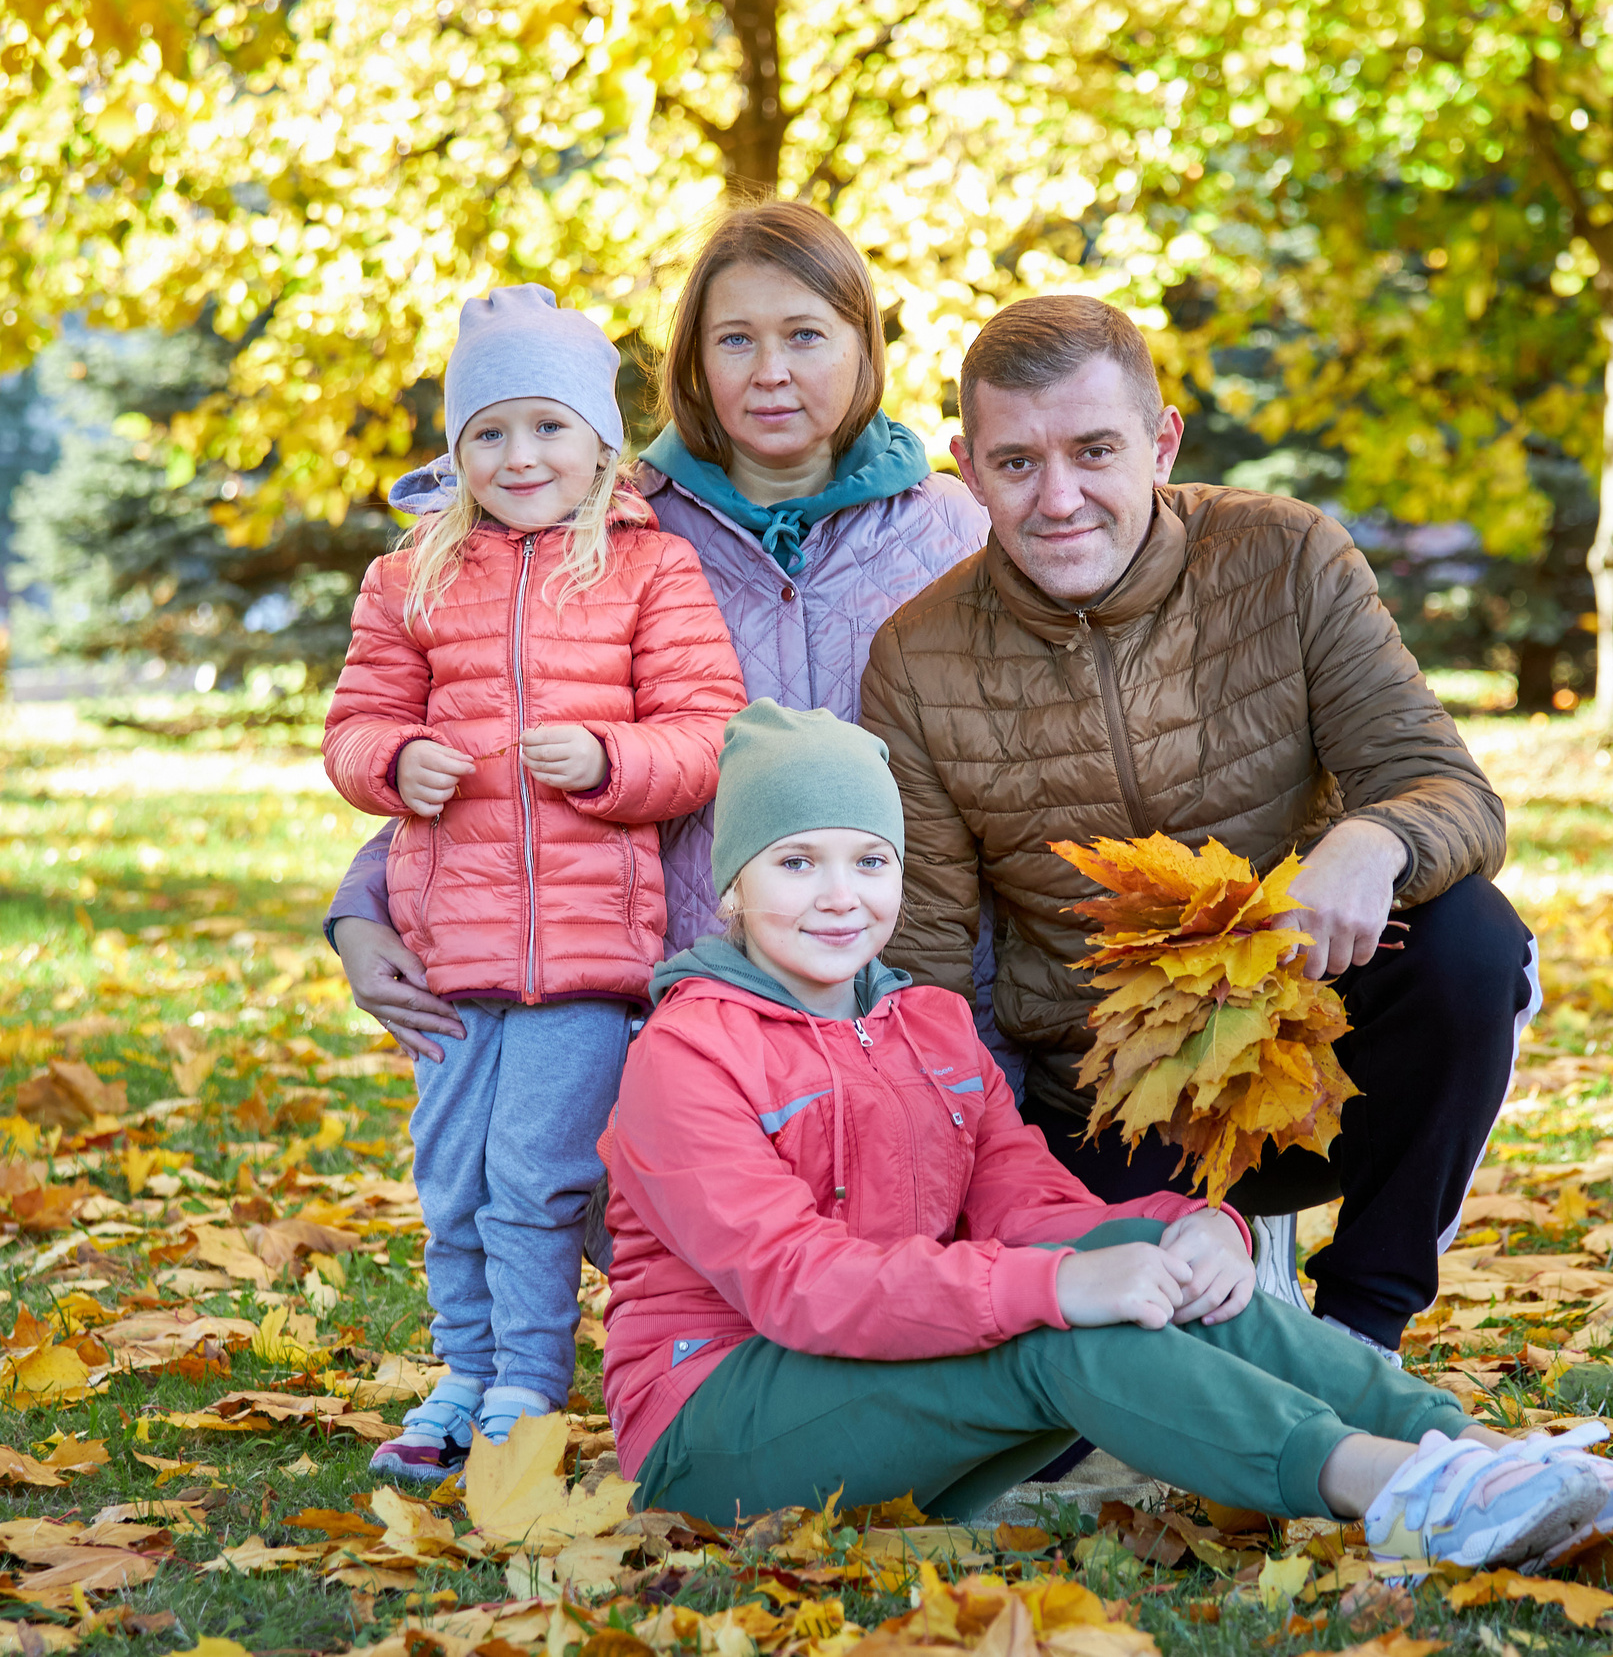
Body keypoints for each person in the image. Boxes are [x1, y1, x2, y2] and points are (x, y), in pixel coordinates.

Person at [600, 699, 1613, 1565]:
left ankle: (1473, 1452)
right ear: (732, 890)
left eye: (869, 860)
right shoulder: (687, 1053)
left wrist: (1197, 1227)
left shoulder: (924, 1025)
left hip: (876, 1381)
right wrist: (1054, 1286)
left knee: (1136, 1261)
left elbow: (1032, 1204)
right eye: (796, 863)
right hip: (715, 1427)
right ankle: (1398, 1491)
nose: (840, 896)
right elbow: (797, 1285)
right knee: (1056, 1321)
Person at [858, 294, 1543, 1368]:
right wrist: (959, 1184)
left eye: (1095, 451)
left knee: (1471, 941)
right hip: (1107, 1092)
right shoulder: (917, 656)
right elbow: (926, 959)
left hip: (1318, 1039)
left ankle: (1362, 1326)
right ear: (966, 468)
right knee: (1103, 1401)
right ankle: (1219, 1282)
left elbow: (1447, 789)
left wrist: (1371, 841)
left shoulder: (1285, 556)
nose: (1058, 498)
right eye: (1016, 463)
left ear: (1162, 442)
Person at [322, 204, 991, 1069]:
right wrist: (361, 908)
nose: (772, 372)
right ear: (694, 363)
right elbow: (488, 722)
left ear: (863, 344)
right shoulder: (606, 529)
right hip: (685, 998)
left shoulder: (954, 529)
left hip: (915, 990)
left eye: (805, 335)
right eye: (735, 341)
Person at [321, 285, 746, 1478]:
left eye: (549, 426)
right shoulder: (409, 575)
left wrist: (611, 761)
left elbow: (707, 731)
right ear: (455, 451)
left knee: (537, 1179)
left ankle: (524, 1386)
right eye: (490, 431)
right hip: (448, 950)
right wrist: (395, 762)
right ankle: (461, 1369)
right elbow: (353, 727)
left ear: (600, 442)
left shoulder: (647, 570)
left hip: (589, 954)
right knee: (450, 1177)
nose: (520, 456)